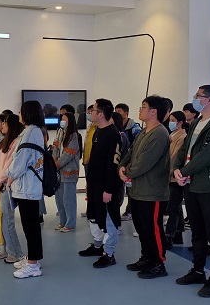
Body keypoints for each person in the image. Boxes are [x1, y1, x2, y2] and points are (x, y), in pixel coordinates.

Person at [174, 85, 210, 298]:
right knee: (197, 231)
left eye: (198, 96)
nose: (195, 98)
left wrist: (184, 171)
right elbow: (185, 149)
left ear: (209, 100)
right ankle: (197, 270)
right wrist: (177, 168)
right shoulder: (197, 122)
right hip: (192, 184)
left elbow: (207, 155)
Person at [118, 95, 170, 279]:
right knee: (142, 228)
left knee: (153, 228)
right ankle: (147, 257)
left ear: (153, 111)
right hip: (138, 190)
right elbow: (131, 152)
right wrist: (122, 166)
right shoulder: (143, 131)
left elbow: (144, 162)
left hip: (152, 191)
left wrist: (128, 171)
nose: (140, 110)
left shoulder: (160, 133)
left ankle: (158, 263)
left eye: (143, 107)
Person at [79, 99, 123, 268]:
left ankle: (109, 253)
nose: (90, 112)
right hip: (94, 183)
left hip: (106, 186)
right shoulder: (97, 130)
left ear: (101, 114)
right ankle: (97, 246)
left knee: (108, 219)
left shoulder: (113, 134)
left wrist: (109, 189)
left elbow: (112, 164)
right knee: (93, 215)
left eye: (93, 110)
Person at [6, 100, 45, 279]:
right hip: (27, 186)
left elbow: (20, 161)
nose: (19, 115)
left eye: (21, 111)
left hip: (27, 187)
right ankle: (32, 259)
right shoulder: (32, 131)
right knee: (30, 226)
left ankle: (33, 265)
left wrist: (9, 175)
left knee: (31, 227)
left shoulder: (31, 132)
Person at [0, 114, 25, 263]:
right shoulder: (5, 141)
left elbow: (8, 166)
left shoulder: (16, 142)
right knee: (0, 219)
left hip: (5, 186)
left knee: (7, 220)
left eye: (4, 123)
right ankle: (4, 249)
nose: (2, 125)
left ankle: (15, 252)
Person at [52, 112, 81, 232]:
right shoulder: (60, 133)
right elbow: (55, 147)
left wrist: (57, 164)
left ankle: (70, 223)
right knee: (59, 199)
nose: (62, 121)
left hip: (69, 172)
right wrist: (54, 161)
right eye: (61, 119)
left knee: (68, 199)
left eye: (64, 119)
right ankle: (62, 221)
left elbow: (69, 153)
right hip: (59, 172)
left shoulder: (74, 136)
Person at [164, 111, 188, 248]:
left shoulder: (182, 137)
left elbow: (174, 157)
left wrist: (166, 171)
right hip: (169, 176)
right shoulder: (171, 134)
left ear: (180, 122)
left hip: (174, 176)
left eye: (173, 120)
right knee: (176, 206)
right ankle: (178, 234)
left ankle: (169, 235)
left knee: (173, 207)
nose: (170, 123)